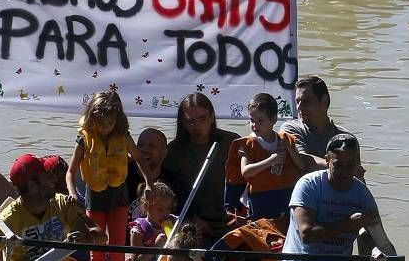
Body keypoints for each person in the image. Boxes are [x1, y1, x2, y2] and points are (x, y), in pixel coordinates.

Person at [66, 89, 154, 261]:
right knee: (97, 244)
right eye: (101, 122)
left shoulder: (123, 136)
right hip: (95, 196)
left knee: (116, 244)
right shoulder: (84, 139)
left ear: (117, 119)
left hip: (119, 195)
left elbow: (139, 159)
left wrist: (149, 183)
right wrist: (73, 192)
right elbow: (70, 172)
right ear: (93, 118)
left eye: (110, 122)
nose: (105, 127)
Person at [163, 93, 237, 243]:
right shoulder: (174, 150)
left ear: (211, 117)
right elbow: (171, 193)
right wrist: (191, 219)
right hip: (193, 224)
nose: (196, 126)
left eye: (202, 119)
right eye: (190, 121)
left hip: (230, 221)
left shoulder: (230, 142)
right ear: (182, 122)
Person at [232, 92, 314, 220]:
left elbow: (301, 165)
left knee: (285, 228)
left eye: (260, 121)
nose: (255, 125)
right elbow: (246, 171)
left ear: (274, 119)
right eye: (252, 120)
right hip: (260, 198)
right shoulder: (248, 144)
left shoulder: (285, 139)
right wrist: (270, 161)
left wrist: (289, 149)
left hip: (286, 195)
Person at [279, 76, 357, 166]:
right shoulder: (290, 129)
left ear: (324, 100)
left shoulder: (347, 138)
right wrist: (339, 166)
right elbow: (303, 160)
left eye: (306, 101)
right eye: (297, 101)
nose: (299, 107)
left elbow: (357, 175)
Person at [128, 180, 177, 261]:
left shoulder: (174, 222)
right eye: (160, 209)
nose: (165, 213)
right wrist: (156, 247)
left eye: (168, 208)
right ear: (147, 207)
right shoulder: (138, 229)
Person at [127, 127, 173, 220]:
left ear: (164, 153)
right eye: (140, 145)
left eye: (152, 146)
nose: (144, 149)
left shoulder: (173, 182)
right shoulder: (121, 176)